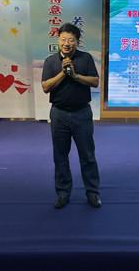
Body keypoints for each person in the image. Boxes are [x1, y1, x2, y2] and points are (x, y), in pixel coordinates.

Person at [41, 23, 101, 209]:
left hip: (82, 113)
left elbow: (95, 81)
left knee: (87, 155)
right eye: (63, 39)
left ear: (77, 41)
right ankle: (63, 193)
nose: (67, 43)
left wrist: (75, 76)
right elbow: (45, 87)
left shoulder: (86, 58)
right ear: (58, 40)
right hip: (59, 114)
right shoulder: (51, 61)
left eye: (71, 40)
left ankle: (92, 193)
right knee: (60, 156)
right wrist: (63, 73)